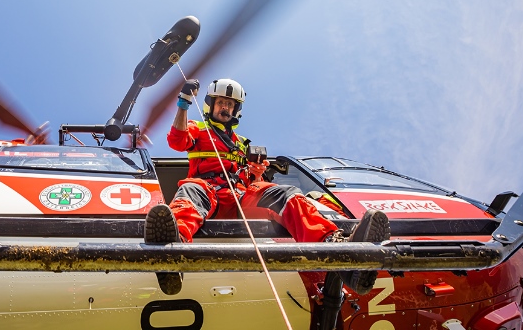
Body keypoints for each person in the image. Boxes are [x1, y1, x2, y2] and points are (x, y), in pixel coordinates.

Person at [144, 78, 391, 295]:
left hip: (241, 197)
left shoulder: (242, 143)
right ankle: (173, 254)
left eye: (230, 104)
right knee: (190, 190)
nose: (225, 107)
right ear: (211, 104)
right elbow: (177, 140)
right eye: (221, 102)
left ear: (236, 110)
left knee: (283, 194)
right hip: (207, 191)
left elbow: (254, 183)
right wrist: (184, 102)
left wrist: (256, 172)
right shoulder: (198, 129)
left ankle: (339, 252)